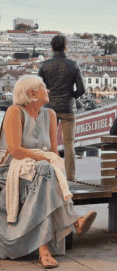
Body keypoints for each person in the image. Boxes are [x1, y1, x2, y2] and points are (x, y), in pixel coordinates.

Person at [0, 75, 97, 269]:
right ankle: (72, 221)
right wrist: (46, 160)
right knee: (46, 169)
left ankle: (44, 249)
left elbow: (53, 150)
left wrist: (50, 162)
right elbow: (15, 150)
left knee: (47, 172)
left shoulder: (50, 115)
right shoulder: (14, 112)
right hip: (12, 171)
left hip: (40, 171)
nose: (49, 90)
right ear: (32, 93)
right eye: (44, 86)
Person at [38, 35, 85, 182]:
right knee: (69, 143)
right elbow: (82, 89)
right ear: (65, 47)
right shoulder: (73, 64)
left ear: (52, 48)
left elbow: (38, 88)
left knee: (48, 143)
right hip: (68, 109)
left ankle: (50, 177)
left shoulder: (44, 66)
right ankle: (70, 178)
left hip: (49, 108)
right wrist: (71, 96)